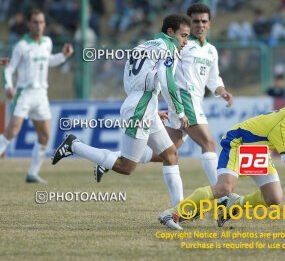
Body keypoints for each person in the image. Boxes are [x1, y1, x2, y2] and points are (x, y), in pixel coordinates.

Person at [52, 14, 191, 209]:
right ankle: (74, 145)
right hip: (140, 108)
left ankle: (179, 210)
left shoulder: (144, 45)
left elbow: (131, 78)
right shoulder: (169, 48)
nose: (185, 41)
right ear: (170, 32)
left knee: (170, 155)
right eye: (183, 36)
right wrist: (179, 111)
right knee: (126, 167)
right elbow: (167, 80)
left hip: (141, 104)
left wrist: (149, 107)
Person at [95, 3, 233, 188]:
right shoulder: (182, 45)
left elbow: (213, 78)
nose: (200, 25)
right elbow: (164, 71)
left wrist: (222, 91)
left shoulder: (211, 51)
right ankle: (221, 193)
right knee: (209, 143)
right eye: (196, 21)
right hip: (184, 98)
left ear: (210, 23)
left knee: (167, 153)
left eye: (204, 21)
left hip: (194, 101)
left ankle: (111, 158)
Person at [159, 95, 285, 230]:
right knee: (224, 188)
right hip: (237, 143)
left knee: (274, 198)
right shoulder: (283, 126)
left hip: (258, 151)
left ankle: (235, 205)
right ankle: (173, 212)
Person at [0, 9, 73, 183]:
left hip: (41, 96)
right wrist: (9, 86)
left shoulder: (47, 42)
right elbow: (9, 69)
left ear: (45, 24)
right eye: (35, 22)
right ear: (29, 24)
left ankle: (32, 173)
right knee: (12, 131)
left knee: (45, 136)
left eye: (41, 22)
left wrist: (63, 56)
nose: (39, 25)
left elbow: (49, 61)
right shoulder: (21, 46)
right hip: (24, 94)